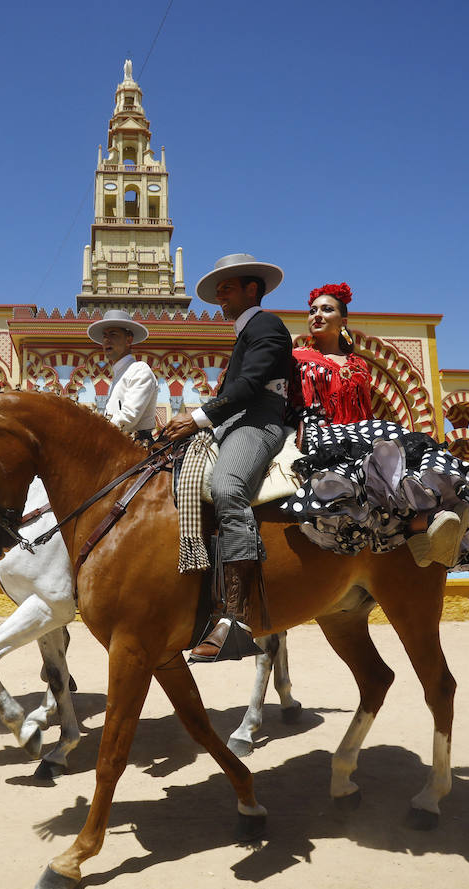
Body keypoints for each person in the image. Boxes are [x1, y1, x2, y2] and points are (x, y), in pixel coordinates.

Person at [279, 281, 469, 572]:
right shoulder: (297, 358)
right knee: (387, 438)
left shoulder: (358, 364)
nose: (316, 315)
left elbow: (363, 410)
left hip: (356, 430)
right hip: (318, 431)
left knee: (403, 442)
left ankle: (433, 516)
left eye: (326, 309)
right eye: (312, 310)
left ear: (343, 321)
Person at [160, 254, 295, 663]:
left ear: (252, 289)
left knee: (226, 486)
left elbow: (252, 386)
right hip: (233, 422)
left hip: (258, 422)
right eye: (218, 289)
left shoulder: (266, 325)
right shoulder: (246, 332)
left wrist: (198, 417)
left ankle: (235, 619)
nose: (219, 296)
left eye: (227, 287)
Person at [88, 309, 159, 442]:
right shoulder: (118, 375)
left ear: (129, 340)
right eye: (105, 335)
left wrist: (93, 429)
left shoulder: (139, 370)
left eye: (113, 334)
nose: (107, 340)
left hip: (136, 449)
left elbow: (128, 419)